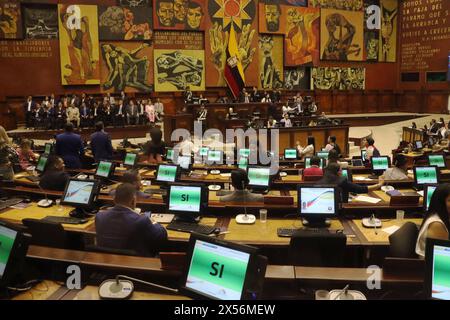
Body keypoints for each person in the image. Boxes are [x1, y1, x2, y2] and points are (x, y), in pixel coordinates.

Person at [96, 183, 168, 256]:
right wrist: (154, 222)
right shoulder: (142, 220)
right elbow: (161, 235)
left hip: (106, 262)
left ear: (114, 199)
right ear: (133, 200)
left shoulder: (99, 216)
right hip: (135, 263)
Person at [317, 163, 384, 203]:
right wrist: (379, 184)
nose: (342, 172)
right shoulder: (342, 181)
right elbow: (361, 189)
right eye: (341, 170)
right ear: (337, 172)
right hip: (341, 210)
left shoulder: (320, 182)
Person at [415, 184, 450, 258]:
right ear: (440, 202)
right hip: (431, 266)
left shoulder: (439, 215)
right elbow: (443, 258)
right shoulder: (436, 225)